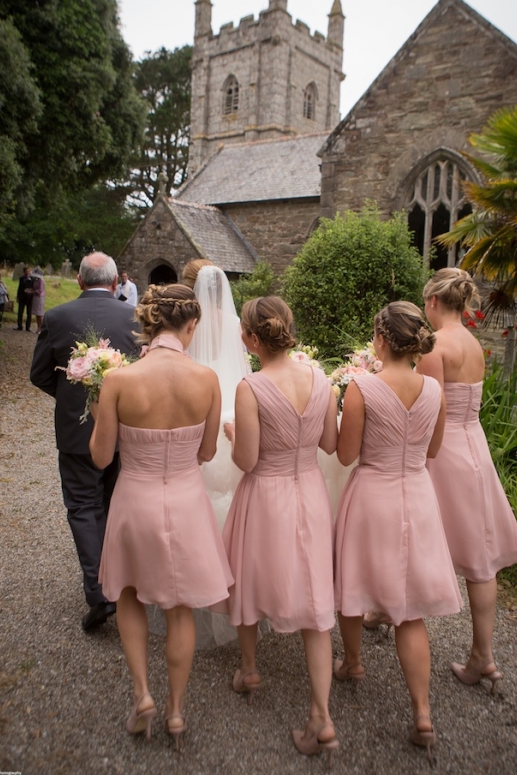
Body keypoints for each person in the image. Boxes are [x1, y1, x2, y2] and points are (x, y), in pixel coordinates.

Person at [91, 284, 233, 748]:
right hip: (187, 500)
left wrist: (98, 410)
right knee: (179, 605)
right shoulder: (207, 379)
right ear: (190, 326)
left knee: (130, 592)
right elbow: (208, 451)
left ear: (147, 324)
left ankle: (142, 695)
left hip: (135, 496)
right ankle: (175, 712)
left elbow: (98, 458)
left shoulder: (119, 380)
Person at [334, 301, 461, 761]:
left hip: (372, 495)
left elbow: (347, 455)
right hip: (417, 494)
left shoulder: (361, 388)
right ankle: (422, 713)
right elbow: (434, 448)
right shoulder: (433, 389)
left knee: (353, 584)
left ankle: (352, 663)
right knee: (411, 612)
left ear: (382, 340)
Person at [222, 297, 340, 763]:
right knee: (315, 598)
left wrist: (234, 439)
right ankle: (321, 716)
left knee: (249, 577)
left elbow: (247, 460)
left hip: (265, 492)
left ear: (252, 339)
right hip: (309, 490)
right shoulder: (322, 379)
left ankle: (250, 670)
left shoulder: (250, 387)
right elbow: (330, 443)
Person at [418, 268, 517, 692]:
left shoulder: (435, 346)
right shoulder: (474, 344)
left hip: (443, 450)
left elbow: (431, 410)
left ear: (432, 303)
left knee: (415, 531)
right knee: (480, 557)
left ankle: (383, 610)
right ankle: (483, 655)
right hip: (475, 447)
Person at [30, 252, 139, 631]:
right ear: (114, 283)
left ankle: (99, 591)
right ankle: (118, 583)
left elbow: (39, 374)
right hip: (126, 432)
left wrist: (72, 399)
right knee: (111, 505)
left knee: (82, 506)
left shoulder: (58, 317)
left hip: (77, 432)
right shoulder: (135, 318)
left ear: (79, 280)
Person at [181, 259, 249, 529]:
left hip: (196, 401)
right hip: (233, 403)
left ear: (190, 286)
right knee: (231, 483)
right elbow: (245, 367)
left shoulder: (187, 325)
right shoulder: (235, 322)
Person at [16, 266, 35, 331]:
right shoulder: (21, 279)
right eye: (26, 271)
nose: (27, 273)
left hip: (29, 298)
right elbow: (19, 288)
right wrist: (18, 296)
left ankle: (28, 327)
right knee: (20, 312)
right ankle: (19, 325)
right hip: (22, 297)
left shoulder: (33, 279)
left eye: (28, 271)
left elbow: (34, 288)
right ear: (24, 272)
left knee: (29, 313)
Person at [31, 267, 46, 333]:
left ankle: (41, 328)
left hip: (40, 298)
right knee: (37, 314)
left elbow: (40, 290)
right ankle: (38, 327)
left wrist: (32, 291)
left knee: (40, 314)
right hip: (35, 298)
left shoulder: (41, 281)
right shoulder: (37, 280)